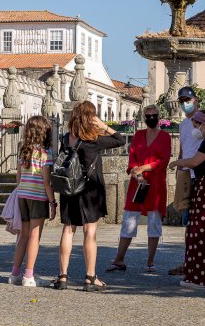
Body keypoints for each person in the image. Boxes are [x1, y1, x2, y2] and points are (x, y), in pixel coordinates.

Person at [54, 101, 124, 292]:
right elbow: (120, 140)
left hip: (70, 188)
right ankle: (90, 277)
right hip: (90, 189)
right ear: (90, 117)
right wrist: (103, 126)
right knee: (90, 231)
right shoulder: (93, 140)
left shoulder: (66, 138)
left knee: (68, 230)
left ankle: (62, 277)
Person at [107, 104, 171, 273]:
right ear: (144, 117)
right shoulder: (138, 135)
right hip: (138, 184)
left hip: (155, 185)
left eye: (154, 115)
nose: (151, 118)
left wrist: (143, 168)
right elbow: (132, 157)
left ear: (159, 117)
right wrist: (138, 174)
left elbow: (163, 161)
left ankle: (150, 261)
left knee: (154, 222)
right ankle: (119, 259)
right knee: (129, 220)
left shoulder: (165, 137)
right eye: (148, 115)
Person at [169, 108, 205, 288]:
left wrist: (177, 163)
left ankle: (198, 278)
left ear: (204, 125)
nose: (194, 128)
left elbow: (194, 162)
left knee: (200, 232)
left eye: (196, 124)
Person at [9, 116, 57, 287]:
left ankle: (14, 274)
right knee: (35, 236)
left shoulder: (23, 150)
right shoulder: (45, 153)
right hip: (37, 196)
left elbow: (18, 178)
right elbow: (46, 181)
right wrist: (52, 203)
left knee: (23, 235)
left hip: (22, 195)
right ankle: (28, 276)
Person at [168, 86, 201, 276]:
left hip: (201, 175)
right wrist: (180, 171)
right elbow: (182, 149)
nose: (184, 104)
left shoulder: (204, 121)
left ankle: (196, 262)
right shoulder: (182, 125)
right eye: (181, 101)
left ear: (195, 100)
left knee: (198, 222)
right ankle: (188, 261)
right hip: (187, 175)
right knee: (187, 221)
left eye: (187, 100)